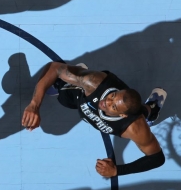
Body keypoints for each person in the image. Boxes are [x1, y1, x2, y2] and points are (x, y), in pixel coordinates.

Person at [21, 62, 167, 177]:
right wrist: (34, 105)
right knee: (64, 96)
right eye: (113, 96)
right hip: (85, 95)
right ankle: (73, 75)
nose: (106, 102)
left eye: (114, 107)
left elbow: (157, 158)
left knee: (141, 112)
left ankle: (151, 109)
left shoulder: (135, 128)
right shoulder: (95, 83)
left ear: (122, 116)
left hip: (126, 118)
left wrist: (117, 170)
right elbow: (55, 67)